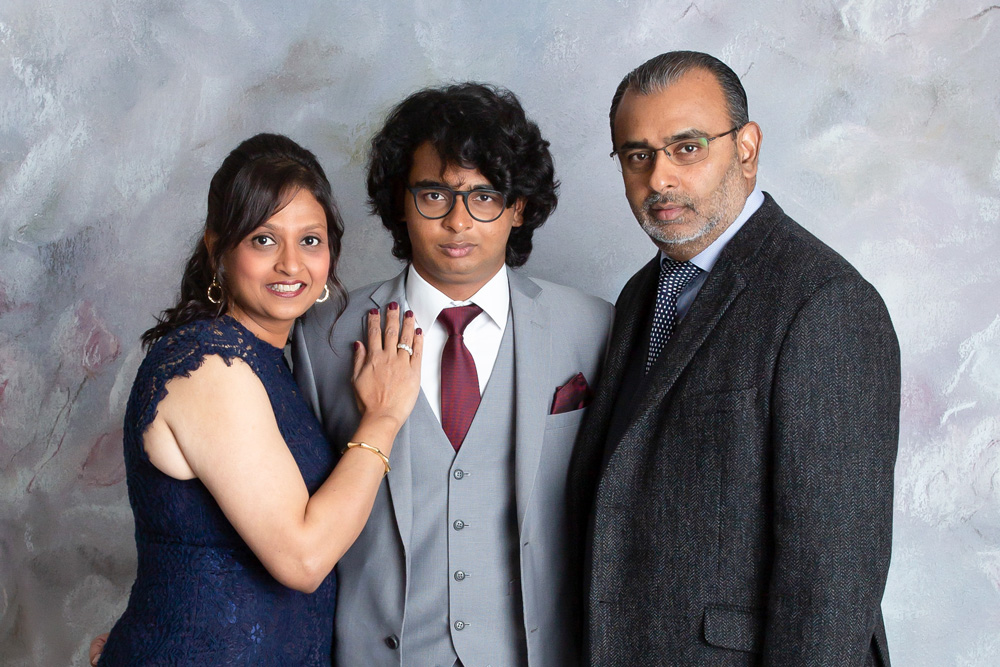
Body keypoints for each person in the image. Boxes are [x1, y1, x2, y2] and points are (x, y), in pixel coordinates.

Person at [567, 51, 900, 666]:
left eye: (687, 148)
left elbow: (834, 579)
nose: (660, 179)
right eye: (637, 156)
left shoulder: (825, 302)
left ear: (746, 148)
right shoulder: (643, 293)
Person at [293, 83, 614, 666]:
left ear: (519, 208)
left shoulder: (593, 329)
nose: (458, 221)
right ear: (401, 202)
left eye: (484, 196)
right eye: (434, 194)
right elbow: (292, 525)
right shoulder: (323, 339)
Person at [93, 133, 422, 665]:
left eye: (310, 240)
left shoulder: (266, 362)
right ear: (217, 249)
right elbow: (303, 558)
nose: (291, 264)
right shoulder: (211, 364)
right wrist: (382, 417)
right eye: (264, 240)